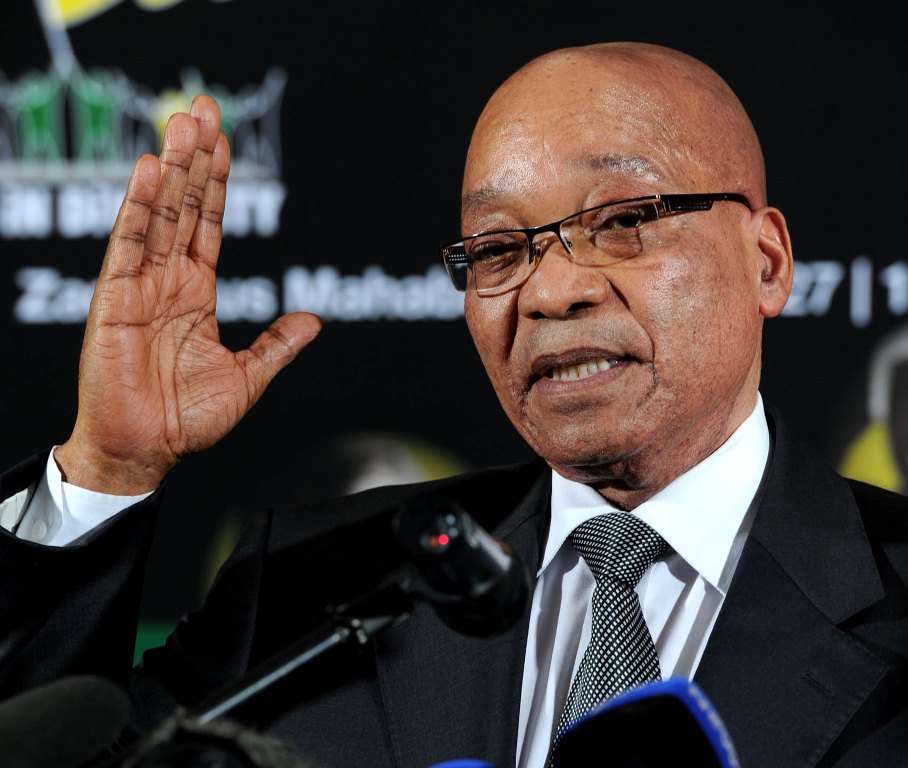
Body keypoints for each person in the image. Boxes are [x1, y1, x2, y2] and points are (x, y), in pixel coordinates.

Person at [1, 41, 907, 768]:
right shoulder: (315, 586)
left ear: (766, 263)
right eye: (498, 249)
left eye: (624, 221)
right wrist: (108, 468)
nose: (550, 292)